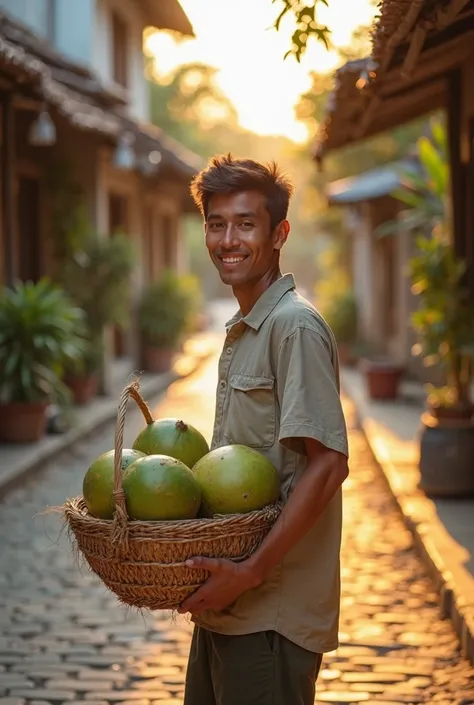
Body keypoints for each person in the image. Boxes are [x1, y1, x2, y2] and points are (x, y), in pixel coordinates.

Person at [179, 154, 349, 705]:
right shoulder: (247, 328)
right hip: (225, 607)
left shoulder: (293, 327)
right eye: (216, 223)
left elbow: (328, 465)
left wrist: (249, 572)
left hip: (270, 612)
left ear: (279, 234)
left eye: (246, 224)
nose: (228, 239)